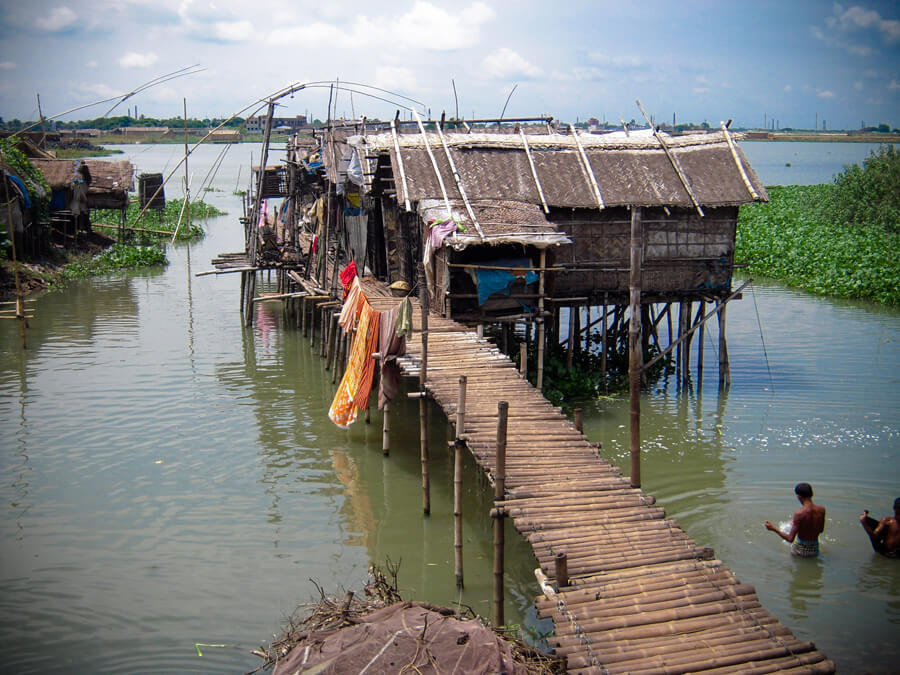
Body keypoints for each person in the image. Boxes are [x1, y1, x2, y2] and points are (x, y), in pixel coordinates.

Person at [765, 483, 826, 557]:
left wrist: (773, 528)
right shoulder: (821, 510)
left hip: (800, 551)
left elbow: (790, 539)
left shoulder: (799, 514)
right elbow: (820, 530)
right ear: (811, 494)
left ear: (798, 496)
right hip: (815, 550)